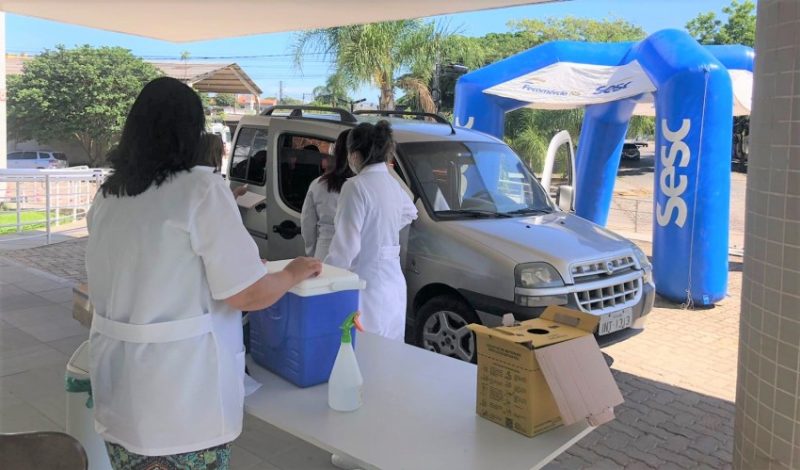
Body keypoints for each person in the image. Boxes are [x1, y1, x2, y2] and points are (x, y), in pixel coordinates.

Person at [85, 77, 321, 469]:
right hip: (181, 395)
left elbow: (156, 271)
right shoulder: (200, 189)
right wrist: (294, 271)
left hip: (120, 387)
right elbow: (246, 295)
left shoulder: (110, 195)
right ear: (189, 132)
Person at [325, 121, 418, 341]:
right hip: (393, 286)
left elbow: (345, 248)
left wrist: (323, 275)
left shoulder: (355, 186)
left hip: (366, 288)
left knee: (365, 354)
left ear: (355, 154)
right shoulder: (392, 184)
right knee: (391, 354)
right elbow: (410, 212)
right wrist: (381, 230)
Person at [300, 130, 353, 259]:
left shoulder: (319, 184)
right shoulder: (366, 185)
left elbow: (307, 225)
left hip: (325, 251)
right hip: (357, 257)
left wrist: (311, 253)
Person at [198, 132, 248, 198]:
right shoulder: (214, 181)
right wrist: (237, 192)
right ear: (217, 153)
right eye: (222, 149)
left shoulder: (186, 174)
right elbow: (224, 205)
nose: (223, 152)